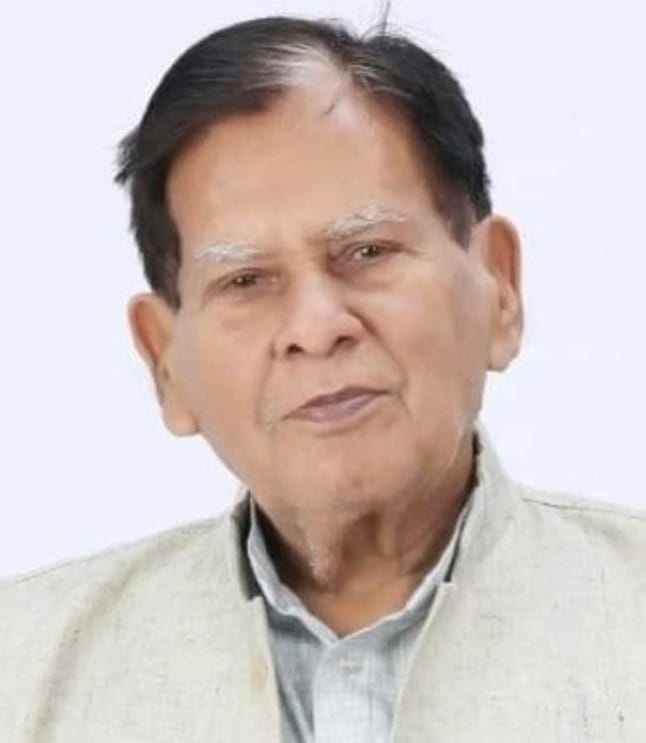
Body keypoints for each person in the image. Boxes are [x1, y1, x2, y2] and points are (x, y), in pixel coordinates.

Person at [1, 14, 644, 743]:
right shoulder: (22, 671)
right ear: (165, 361)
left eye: (368, 251)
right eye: (245, 280)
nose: (315, 326)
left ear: (499, 286)